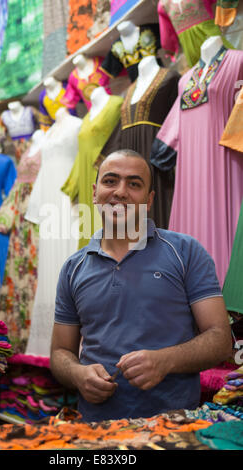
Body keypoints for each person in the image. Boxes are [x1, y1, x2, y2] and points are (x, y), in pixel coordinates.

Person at [50, 149, 232, 422]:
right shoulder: (73, 268)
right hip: (96, 431)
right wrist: (78, 375)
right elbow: (60, 352)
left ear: (148, 201)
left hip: (173, 429)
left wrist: (165, 361)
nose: (120, 192)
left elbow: (221, 340)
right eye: (110, 181)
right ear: (94, 192)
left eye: (134, 184)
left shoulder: (185, 252)